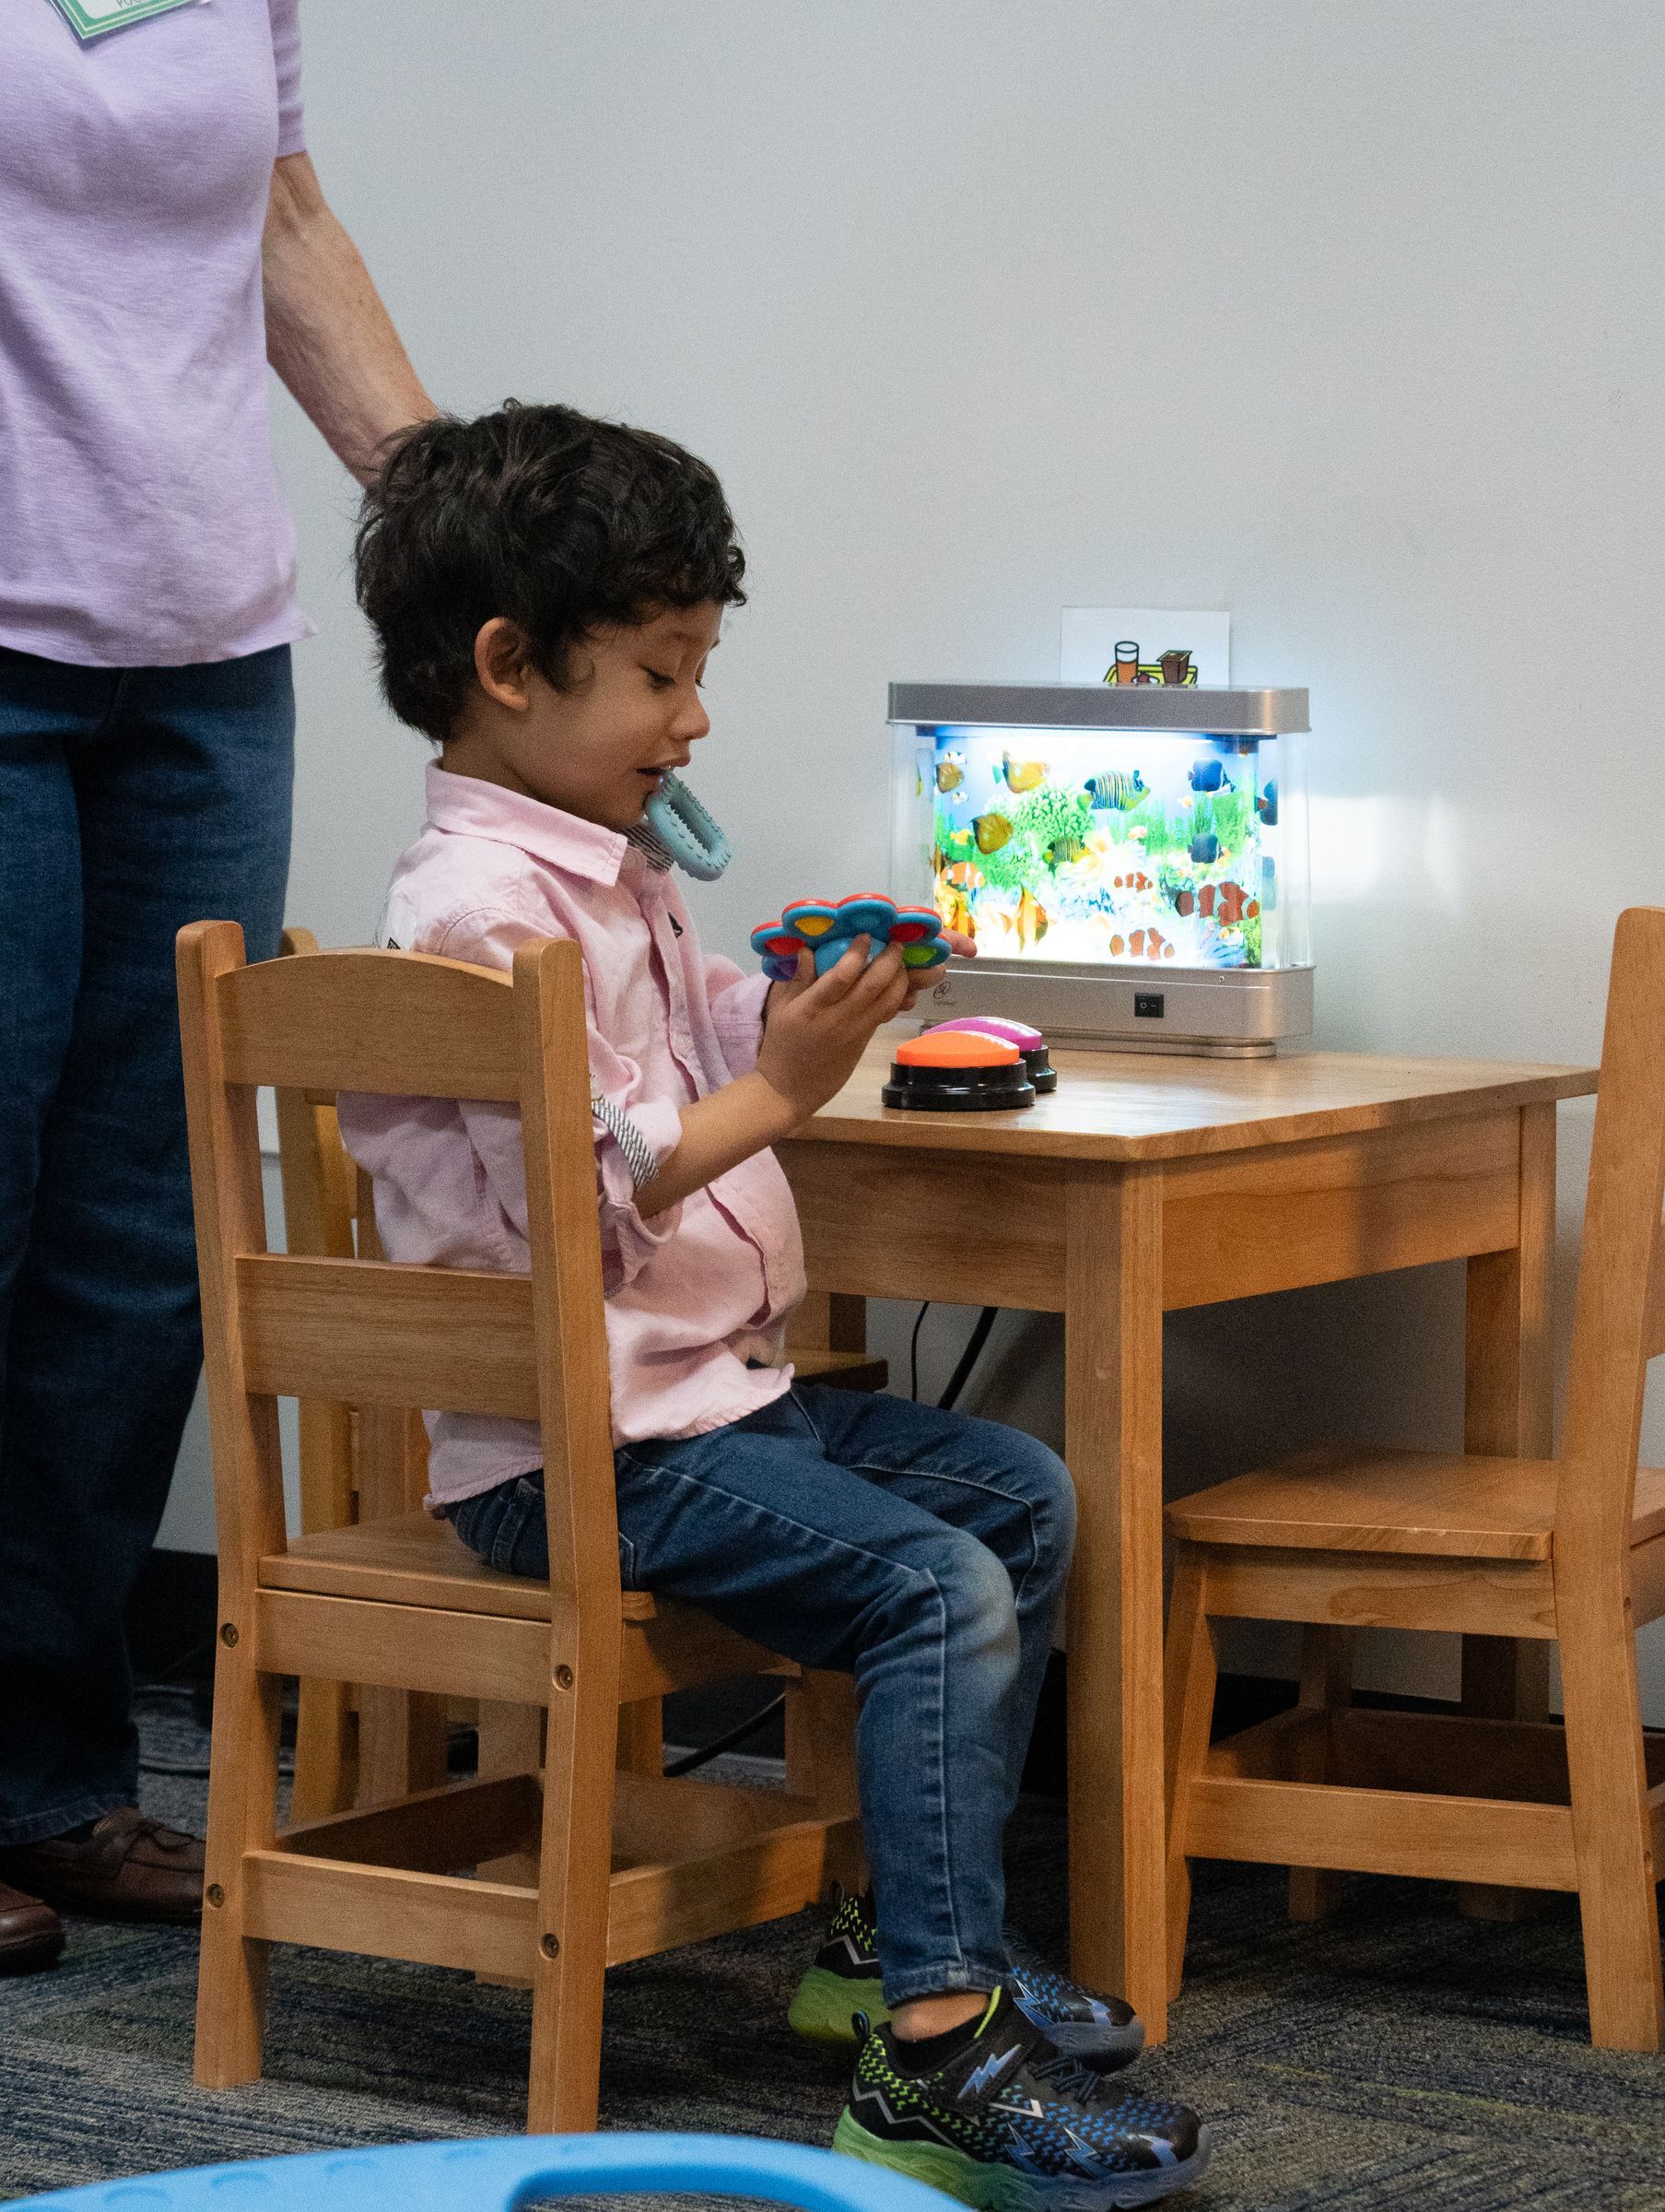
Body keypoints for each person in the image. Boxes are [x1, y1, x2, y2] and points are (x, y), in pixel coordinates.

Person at [336, 403, 1208, 2205]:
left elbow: (666, 1055)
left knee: (1019, 1498)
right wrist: (788, 1089)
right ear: (508, 668)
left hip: (699, 1405)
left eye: (699, 671)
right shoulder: (481, 912)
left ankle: (899, 1945)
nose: (695, 717)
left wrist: (789, 1007)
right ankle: (936, 2058)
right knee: (933, 1581)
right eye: (662, 672)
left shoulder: (609, 863)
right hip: (577, 1447)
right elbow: (597, 1195)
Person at [0, 0, 433, 1971]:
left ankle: (44, 1776)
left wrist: (453, 519)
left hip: (202, 665)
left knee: (139, 1252)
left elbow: (281, 220)